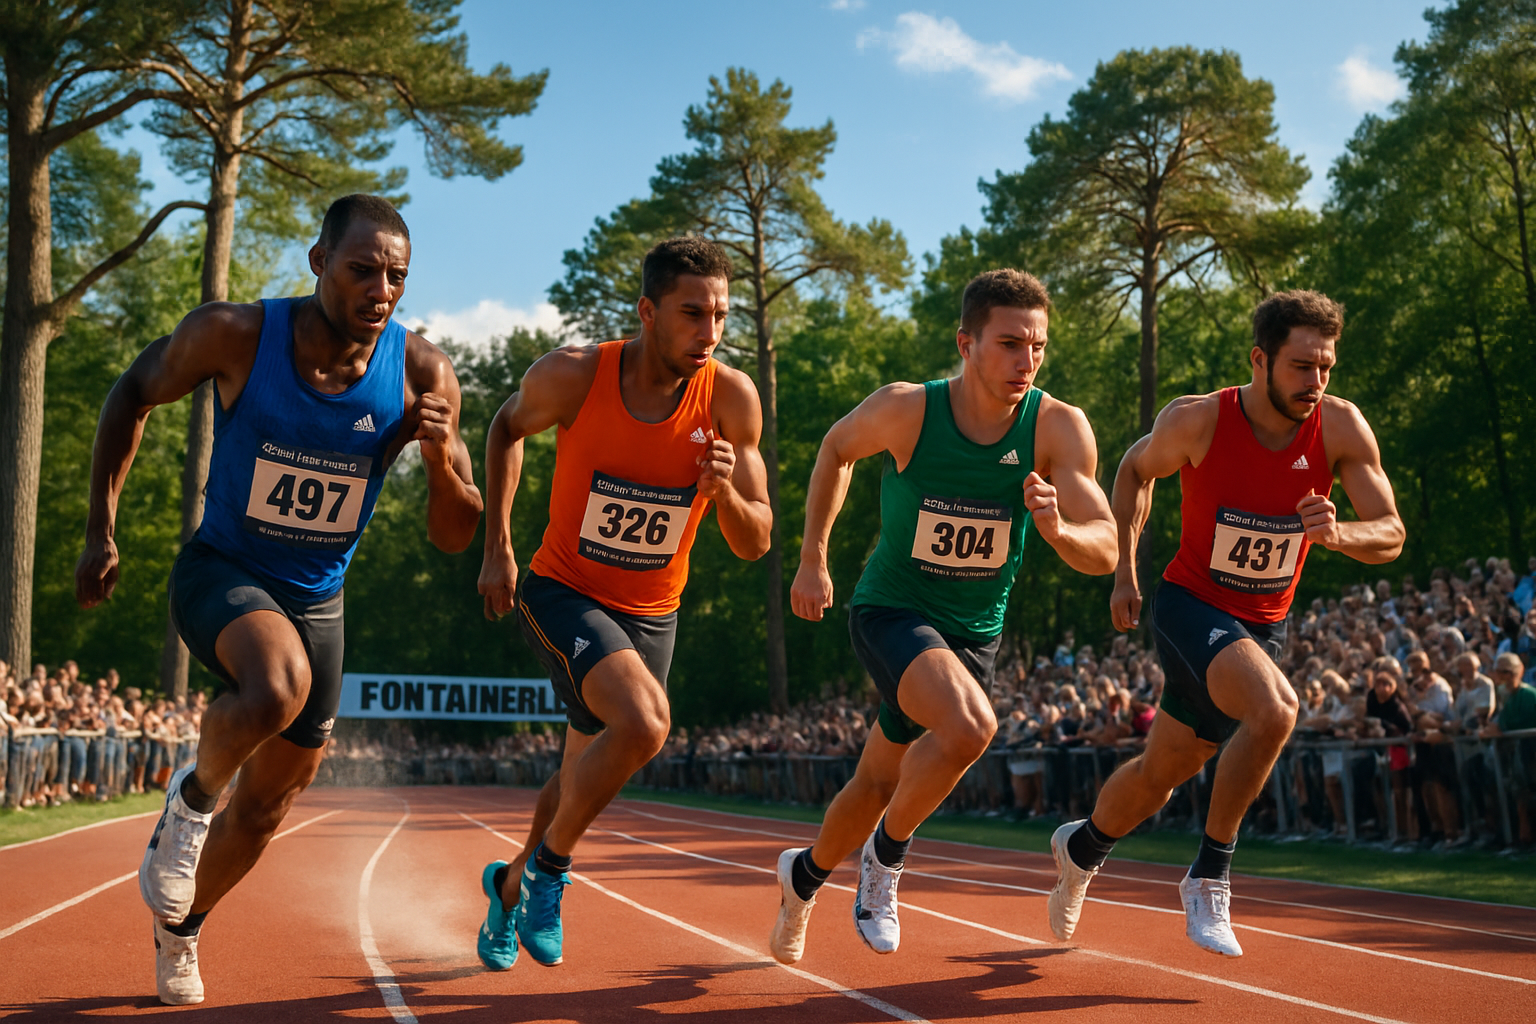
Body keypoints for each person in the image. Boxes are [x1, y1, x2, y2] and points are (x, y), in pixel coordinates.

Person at [75, 195, 482, 1004]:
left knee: (266, 809)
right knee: (274, 685)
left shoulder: (423, 372)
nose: (381, 288)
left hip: (319, 600)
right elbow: (132, 392)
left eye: (397, 275)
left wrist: (440, 462)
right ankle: (188, 805)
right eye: (363, 268)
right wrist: (100, 531)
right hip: (222, 569)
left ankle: (181, 931)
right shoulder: (236, 334)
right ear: (318, 261)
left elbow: (453, 531)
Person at [768, 269, 1117, 965]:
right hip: (892, 609)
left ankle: (802, 879)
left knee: (874, 782)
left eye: (1038, 347)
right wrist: (812, 558)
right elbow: (836, 450)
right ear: (966, 343)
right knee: (971, 726)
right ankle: (885, 863)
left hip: (972, 633)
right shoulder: (908, 411)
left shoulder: (1055, 425)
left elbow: (1104, 546)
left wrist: (1059, 532)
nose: (1027, 361)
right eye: (1010, 343)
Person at [1048, 290, 1404, 957]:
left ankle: (1082, 846)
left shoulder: (1340, 427)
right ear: (1259, 359)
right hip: (1190, 605)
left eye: (1325, 367)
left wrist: (1341, 533)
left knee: (1161, 775)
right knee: (1275, 710)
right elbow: (1132, 469)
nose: (1316, 382)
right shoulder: (1200, 419)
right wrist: (1125, 571)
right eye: (1301, 366)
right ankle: (1210, 876)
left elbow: (1391, 533)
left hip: (1262, 625)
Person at [474, 237, 771, 972]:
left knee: (579, 774)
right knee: (644, 723)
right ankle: (551, 872)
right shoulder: (575, 375)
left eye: (721, 315)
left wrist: (723, 490)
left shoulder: (730, 398)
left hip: (652, 614)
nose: (710, 332)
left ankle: (508, 884)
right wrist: (497, 547)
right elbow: (505, 428)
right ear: (647, 311)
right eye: (692, 313)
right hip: (564, 589)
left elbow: (756, 540)